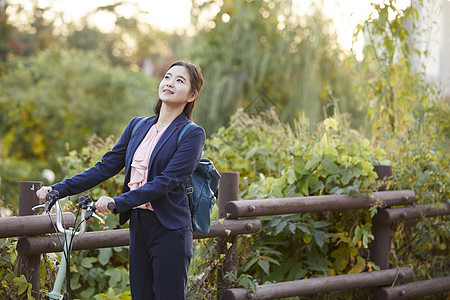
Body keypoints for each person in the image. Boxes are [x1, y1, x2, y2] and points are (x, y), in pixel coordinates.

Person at [36, 60, 206, 300]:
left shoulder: (192, 133)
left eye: (180, 80)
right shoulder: (138, 126)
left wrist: (118, 201)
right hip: (139, 224)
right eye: (167, 77)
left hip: (170, 229)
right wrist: (58, 189)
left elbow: (166, 181)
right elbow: (104, 168)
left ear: (192, 95)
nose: (169, 83)